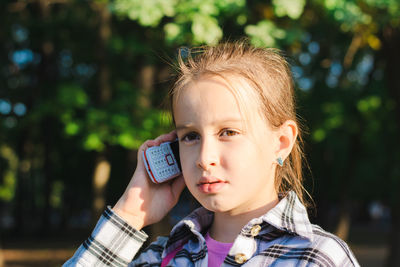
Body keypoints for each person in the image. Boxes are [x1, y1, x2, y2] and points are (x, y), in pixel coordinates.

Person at [64, 41, 360, 266]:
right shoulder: (162, 257)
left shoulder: (316, 257)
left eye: (228, 132)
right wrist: (129, 215)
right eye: (190, 136)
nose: (204, 158)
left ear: (281, 142)